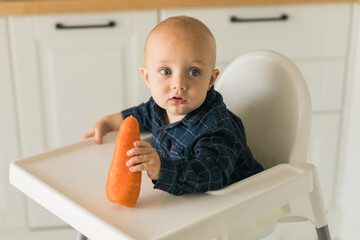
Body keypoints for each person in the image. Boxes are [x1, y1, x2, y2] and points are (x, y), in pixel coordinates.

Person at [81, 16, 263, 196]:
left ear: (211, 80)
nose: (179, 83)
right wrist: (107, 122)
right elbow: (140, 115)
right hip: (188, 201)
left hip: (239, 203)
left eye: (193, 72)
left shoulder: (216, 128)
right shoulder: (160, 106)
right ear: (147, 78)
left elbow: (212, 175)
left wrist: (162, 169)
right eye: (166, 71)